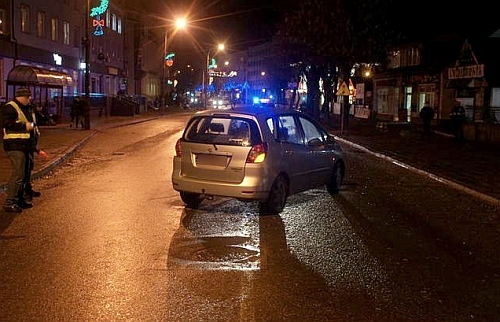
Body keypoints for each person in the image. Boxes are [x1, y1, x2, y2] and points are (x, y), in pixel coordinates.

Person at [1, 88, 36, 212]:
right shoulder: (10, 107)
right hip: (14, 146)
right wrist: (24, 126)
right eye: (28, 97)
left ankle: (19, 200)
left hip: (23, 146)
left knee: (24, 174)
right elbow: (6, 123)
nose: (30, 99)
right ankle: (9, 202)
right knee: (18, 175)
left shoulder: (26, 107)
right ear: (23, 97)